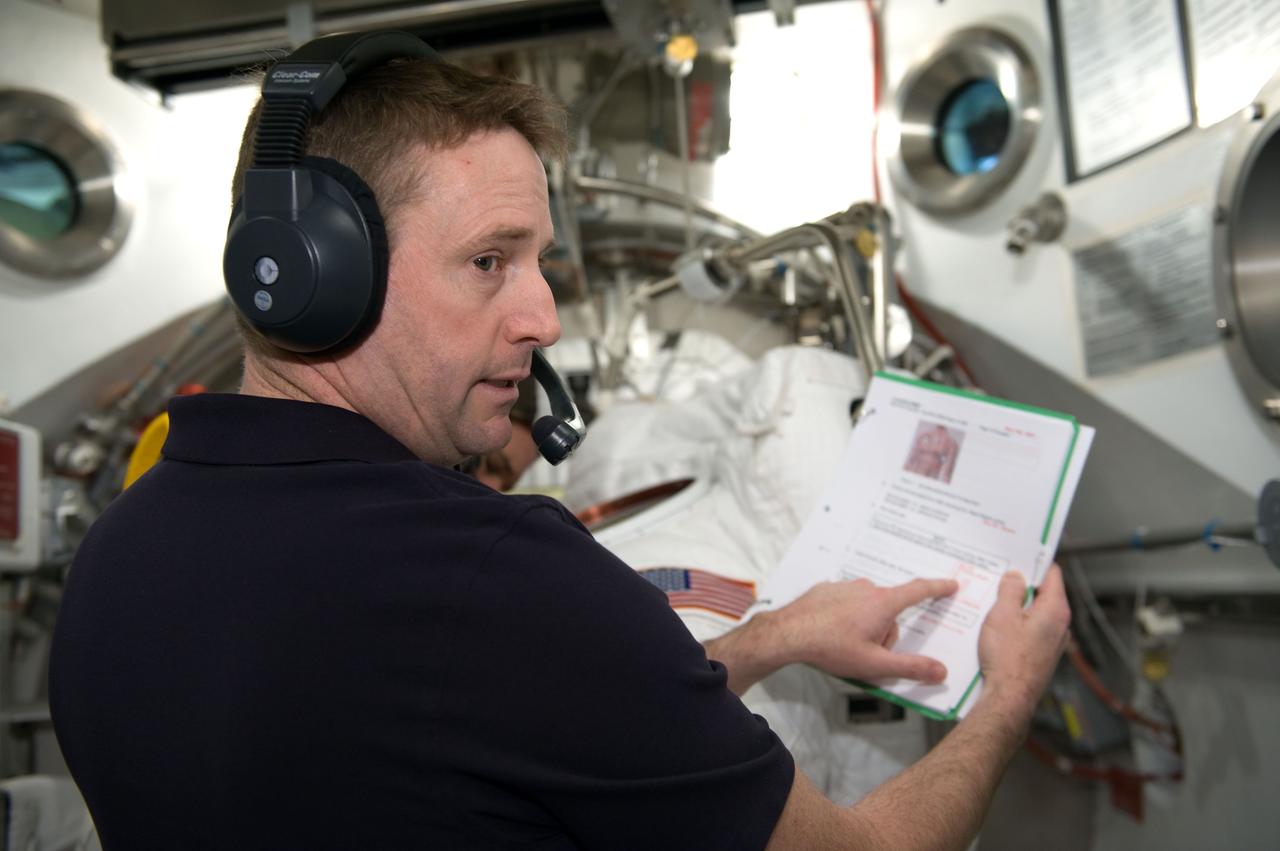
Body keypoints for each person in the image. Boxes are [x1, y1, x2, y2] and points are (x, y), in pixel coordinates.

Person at [49, 33, 1070, 850]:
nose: (541, 316)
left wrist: (768, 639)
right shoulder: (500, 575)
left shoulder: (116, 556)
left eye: (538, 261)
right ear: (316, 273)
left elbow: (518, 718)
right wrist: (1004, 696)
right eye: (489, 260)